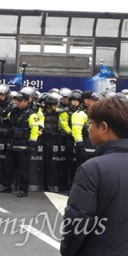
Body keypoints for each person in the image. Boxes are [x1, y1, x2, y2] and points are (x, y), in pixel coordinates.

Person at [61, 97, 128, 256]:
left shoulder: (92, 168)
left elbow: (78, 221)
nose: (88, 129)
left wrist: (67, 251)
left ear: (103, 127)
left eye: (89, 124)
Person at [0, 87, 40, 197]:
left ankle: (23, 189)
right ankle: (7, 186)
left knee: (24, 169)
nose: (17, 103)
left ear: (26, 102)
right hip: (12, 144)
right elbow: (6, 123)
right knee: (8, 167)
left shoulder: (32, 115)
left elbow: (35, 131)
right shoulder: (14, 112)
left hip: (23, 146)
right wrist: (6, 113)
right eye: (17, 101)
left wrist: (32, 144)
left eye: (20, 101)